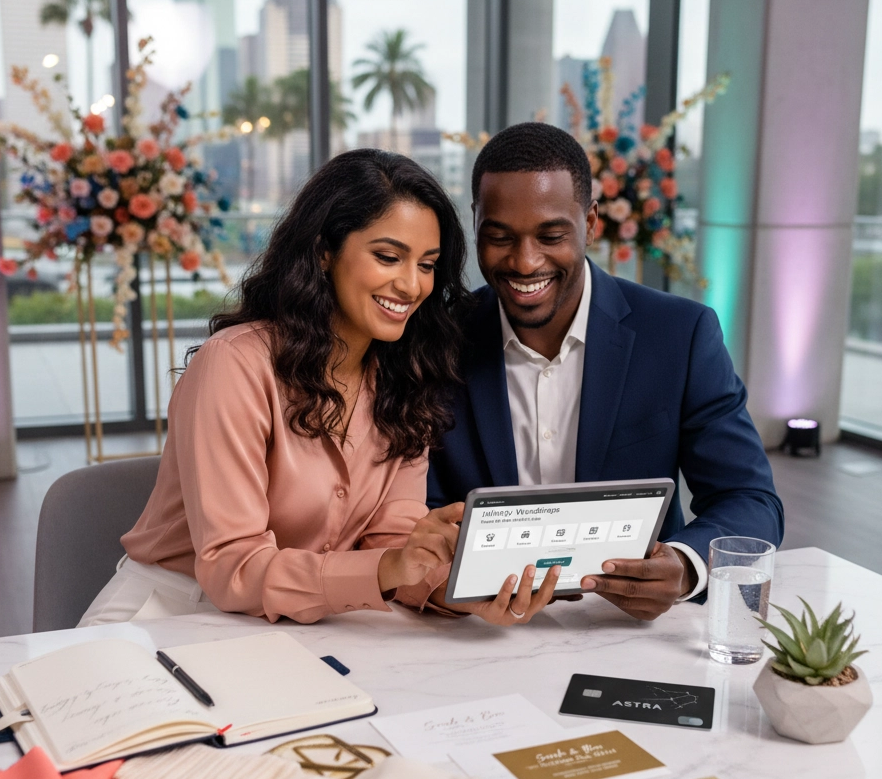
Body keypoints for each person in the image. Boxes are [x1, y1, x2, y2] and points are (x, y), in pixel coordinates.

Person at [80, 149, 552, 627]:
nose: (412, 285)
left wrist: (459, 591)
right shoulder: (236, 364)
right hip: (170, 610)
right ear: (325, 252)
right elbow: (232, 565)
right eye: (388, 257)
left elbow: (391, 542)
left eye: (427, 265)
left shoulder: (406, 375)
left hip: (306, 619)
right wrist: (388, 567)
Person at [424, 122, 784, 622]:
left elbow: (750, 499)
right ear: (475, 222)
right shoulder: (436, 342)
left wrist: (682, 566)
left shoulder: (680, 335)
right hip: (474, 626)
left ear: (590, 222)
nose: (525, 262)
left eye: (552, 235)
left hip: (624, 627)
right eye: (500, 237)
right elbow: (414, 507)